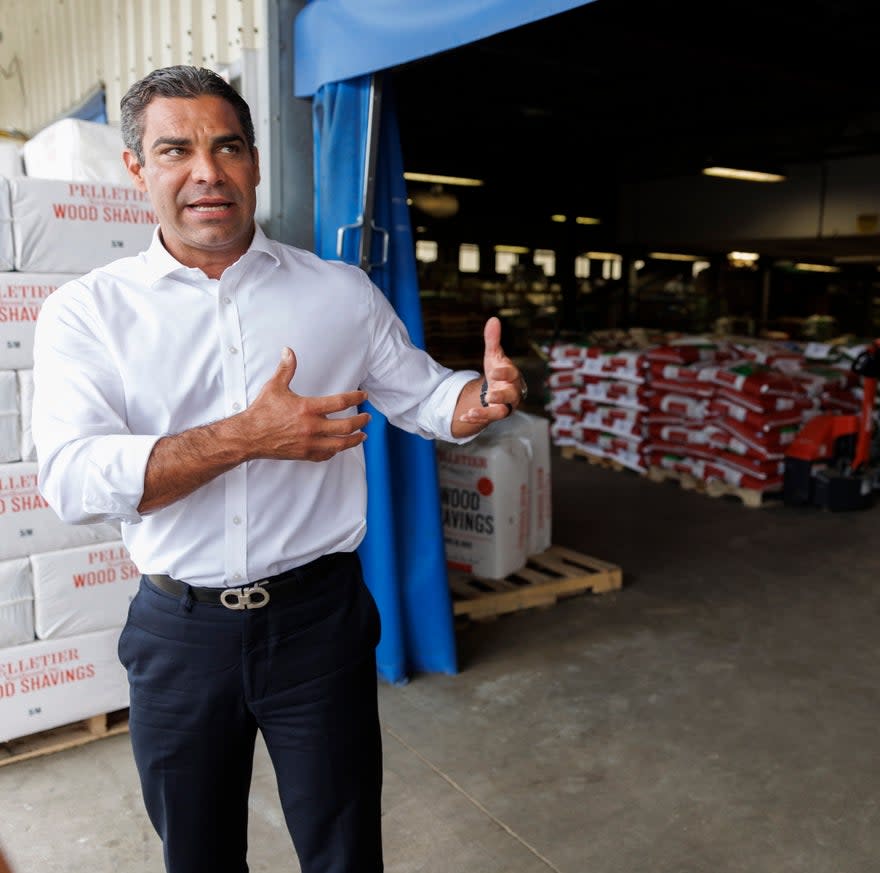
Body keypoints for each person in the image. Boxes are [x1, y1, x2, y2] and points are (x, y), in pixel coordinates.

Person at [31, 65, 525, 873]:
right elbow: (75, 481)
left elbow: (422, 393)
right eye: (174, 150)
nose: (206, 172)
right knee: (198, 856)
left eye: (227, 146)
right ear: (136, 170)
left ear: (255, 161)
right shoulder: (89, 312)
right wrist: (246, 435)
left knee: (343, 850)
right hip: (179, 634)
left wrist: (474, 398)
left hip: (316, 622)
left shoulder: (339, 292)